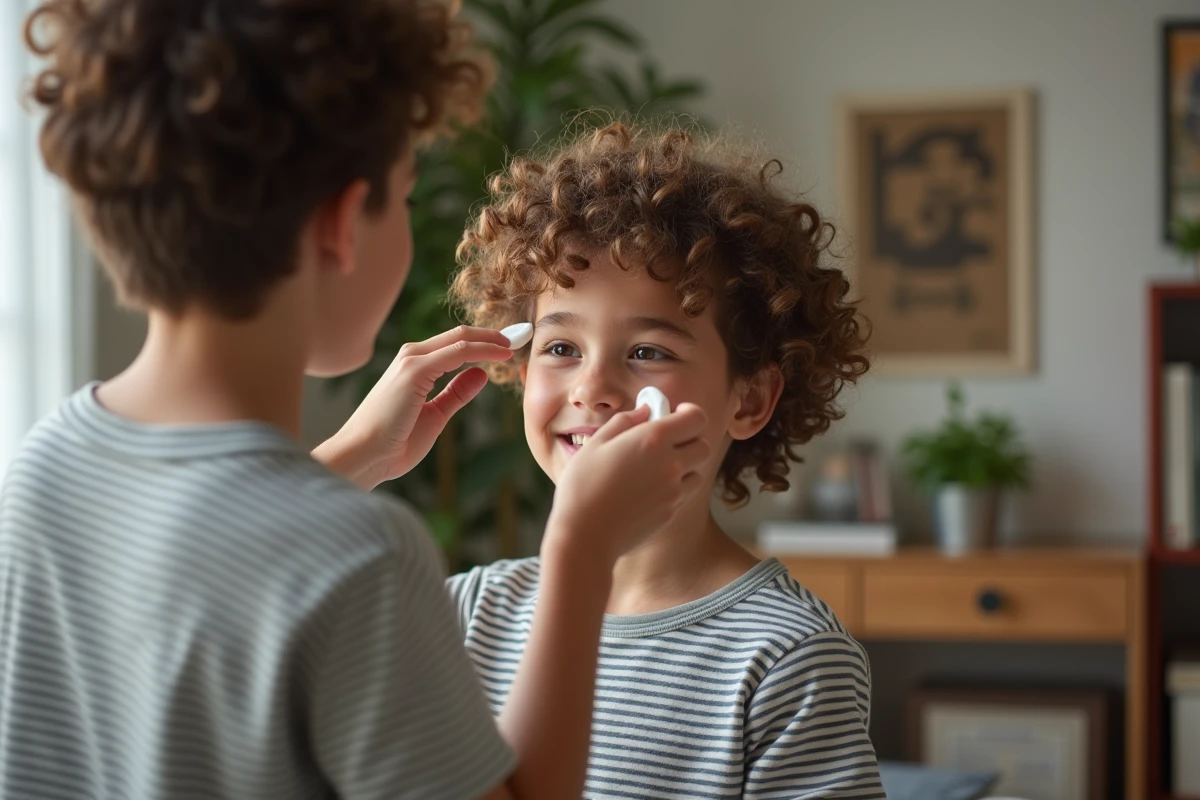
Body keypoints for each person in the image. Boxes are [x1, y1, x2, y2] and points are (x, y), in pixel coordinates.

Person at [0, 4, 710, 799]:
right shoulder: (362, 559)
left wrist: (348, 460)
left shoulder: (44, 467)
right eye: (404, 198)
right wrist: (580, 547)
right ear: (342, 225)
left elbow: (197, 569)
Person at [448, 121, 885, 799]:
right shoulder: (468, 614)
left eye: (648, 351)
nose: (591, 389)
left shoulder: (787, 657)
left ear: (749, 398)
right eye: (561, 349)